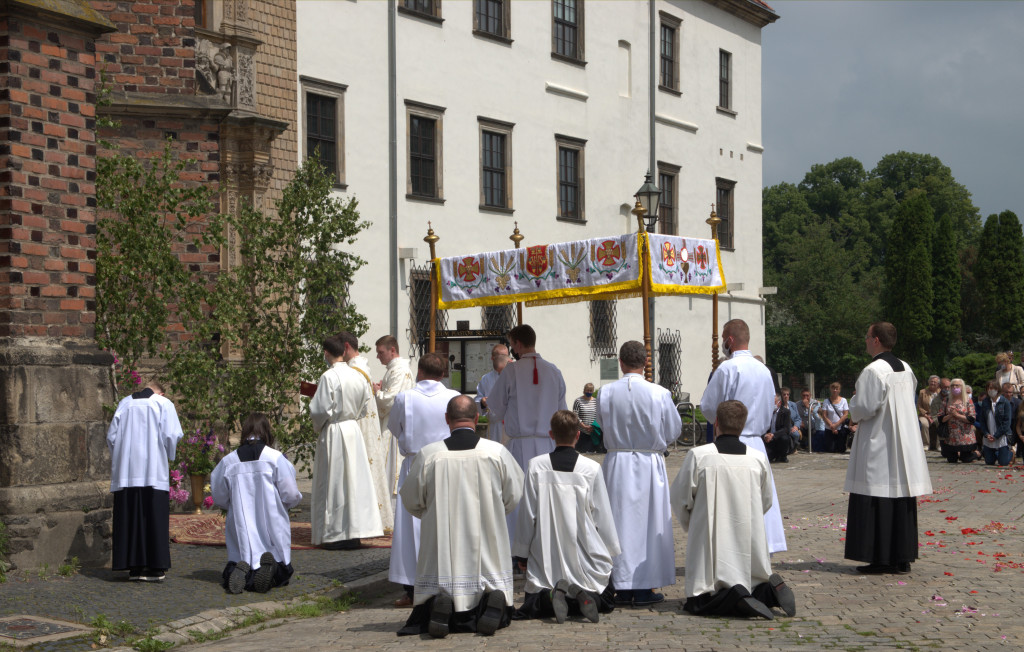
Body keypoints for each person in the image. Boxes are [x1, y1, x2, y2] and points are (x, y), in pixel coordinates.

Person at [397, 395, 524, 638]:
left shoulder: (429, 454)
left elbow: (411, 500)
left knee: (439, 576)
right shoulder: (496, 452)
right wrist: (495, 513)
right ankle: (490, 603)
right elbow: (514, 494)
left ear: (447, 419)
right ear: (477, 418)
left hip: (442, 535)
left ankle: (440, 604)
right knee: (490, 574)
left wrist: (430, 514)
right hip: (488, 533)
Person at [670, 400, 796, 620]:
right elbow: (766, 500)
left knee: (699, 602)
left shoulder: (700, 456)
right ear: (743, 424)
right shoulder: (757, 458)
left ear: (716, 422)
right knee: (753, 581)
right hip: (748, 533)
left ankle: (734, 595)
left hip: (709, 534)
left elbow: (680, 498)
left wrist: (694, 523)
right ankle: (766, 592)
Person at [512, 410, 620, 624]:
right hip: (584, 552)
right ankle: (582, 597)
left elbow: (528, 515)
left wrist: (522, 554)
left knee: (537, 597)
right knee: (605, 598)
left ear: (551, 434)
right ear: (578, 435)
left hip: (546, 551)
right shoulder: (591, 468)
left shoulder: (536, 466)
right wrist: (609, 551)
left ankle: (553, 596)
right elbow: (602, 516)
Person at [597, 340, 681, 607]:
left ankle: (620, 586)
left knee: (618, 523)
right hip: (649, 462)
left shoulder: (606, 391)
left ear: (621, 363)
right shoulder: (659, 393)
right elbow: (674, 430)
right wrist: (655, 443)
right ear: (646, 363)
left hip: (617, 462)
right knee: (649, 524)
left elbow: (602, 423)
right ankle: (644, 586)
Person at [845, 322, 932, 575]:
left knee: (878, 495)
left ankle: (881, 558)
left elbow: (864, 408)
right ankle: (901, 557)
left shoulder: (874, 370)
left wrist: (853, 402)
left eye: (866, 335)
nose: (864, 340)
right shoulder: (906, 367)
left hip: (880, 442)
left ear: (875, 340)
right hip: (903, 441)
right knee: (900, 495)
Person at [700, 318, 787, 554]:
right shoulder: (764, 370)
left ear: (729, 340)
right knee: (759, 498)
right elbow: (771, 406)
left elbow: (708, 407)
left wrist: (720, 425)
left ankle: (736, 550)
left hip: (732, 443)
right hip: (757, 442)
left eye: (722, 340)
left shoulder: (727, 368)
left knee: (735, 502)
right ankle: (762, 549)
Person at [387, 352, 461, 607]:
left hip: (415, 461)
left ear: (419, 371)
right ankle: (448, 580)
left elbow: (395, 428)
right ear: (443, 373)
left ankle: (412, 586)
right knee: (445, 521)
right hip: (445, 462)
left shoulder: (405, 398)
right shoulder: (453, 397)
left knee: (411, 524)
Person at [488, 324, 567, 543]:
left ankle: (517, 547)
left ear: (518, 344)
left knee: (518, 496)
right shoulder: (554, 370)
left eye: (511, 343)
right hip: (548, 445)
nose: (511, 348)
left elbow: (495, 409)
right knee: (545, 495)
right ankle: (545, 543)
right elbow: (562, 412)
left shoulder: (511, 371)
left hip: (519, 447)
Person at [211, 413, 302, 594]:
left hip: (240, 522)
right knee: (279, 563)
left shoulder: (229, 461)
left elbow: (219, 496)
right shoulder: (274, 458)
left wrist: (234, 505)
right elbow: (290, 493)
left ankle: (237, 571)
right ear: (267, 432)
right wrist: (287, 505)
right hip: (271, 520)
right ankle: (270, 570)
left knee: (239, 556)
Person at [309, 335, 383, 550]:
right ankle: (355, 532)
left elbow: (320, 409)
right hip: (352, 429)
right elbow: (365, 403)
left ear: (326, 352)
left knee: (335, 482)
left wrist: (319, 424)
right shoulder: (357, 375)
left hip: (335, 430)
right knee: (354, 482)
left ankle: (335, 534)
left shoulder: (328, 377)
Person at [107, 381, 185, 582]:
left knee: (130, 518)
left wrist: (121, 458)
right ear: (161, 392)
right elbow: (172, 435)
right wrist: (168, 456)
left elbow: (112, 437)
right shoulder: (162, 403)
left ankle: (133, 567)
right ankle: (154, 567)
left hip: (127, 472)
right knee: (153, 517)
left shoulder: (124, 403)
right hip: (153, 470)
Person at [335, 331, 394, 532]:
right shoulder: (360, 367)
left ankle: (364, 522)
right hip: (365, 426)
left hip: (358, 427)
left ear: (346, 347)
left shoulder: (354, 371)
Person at [373, 335, 416, 509]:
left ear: (392, 350)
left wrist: (377, 392)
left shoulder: (399, 370)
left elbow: (390, 401)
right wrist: (381, 388)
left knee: (391, 468)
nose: (378, 357)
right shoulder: (393, 369)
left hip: (394, 427)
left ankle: (391, 511)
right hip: (391, 423)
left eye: (380, 352)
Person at [474, 343, 510, 443]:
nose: (504, 359)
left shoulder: (516, 375)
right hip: (495, 426)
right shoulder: (486, 379)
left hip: (513, 425)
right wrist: (482, 402)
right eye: (501, 357)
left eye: (506, 356)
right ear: (492, 358)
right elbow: (478, 400)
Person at [938, 378, 976, 464]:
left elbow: (972, 419)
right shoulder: (946, 400)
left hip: (965, 435)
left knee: (966, 459)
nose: (955, 387)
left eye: (957, 385)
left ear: (962, 387)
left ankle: (977, 454)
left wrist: (957, 415)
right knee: (951, 460)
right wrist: (950, 415)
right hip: (951, 435)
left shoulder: (968, 400)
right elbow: (940, 418)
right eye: (953, 385)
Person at [977, 381, 1013, 466]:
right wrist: (986, 433)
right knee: (989, 462)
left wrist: (996, 435)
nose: (990, 390)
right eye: (988, 388)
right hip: (989, 434)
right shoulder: (985, 402)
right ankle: (995, 454)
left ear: (997, 389)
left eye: (992, 388)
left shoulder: (1005, 402)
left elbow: (1006, 422)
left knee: (1003, 462)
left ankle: (1010, 453)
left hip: (1001, 435)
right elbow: (982, 420)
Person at [820, 383, 850, 454]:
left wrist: (836, 424)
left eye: (837, 389)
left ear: (839, 390)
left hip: (840, 427)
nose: (835, 390)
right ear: (830, 390)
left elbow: (845, 414)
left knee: (841, 449)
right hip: (829, 427)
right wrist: (832, 426)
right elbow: (824, 415)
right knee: (831, 449)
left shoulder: (844, 400)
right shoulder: (826, 401)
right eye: (833, 389)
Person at [765, 391, 793, 464]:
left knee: (784, 438)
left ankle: (783, 456)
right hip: (768, 438)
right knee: (767, 457)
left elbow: (786, 429)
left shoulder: (785, 412)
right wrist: (766, 435)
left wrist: (773, 435)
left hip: (778, 436)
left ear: (779, 403)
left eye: (774, 402)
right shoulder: (766, 412)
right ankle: (773, 454)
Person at [572, 382, 600, 453]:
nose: (589, 392)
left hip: (594, 432)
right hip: (582, 432)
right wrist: (584, 426)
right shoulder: (578, 401)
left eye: (591, 391)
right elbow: (575, 416)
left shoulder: (596, 401)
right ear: (584, 390)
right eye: (587, 390)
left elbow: (599, 414)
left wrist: (593, 427)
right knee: (582, 453)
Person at [917, 375, 941, 450]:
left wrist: (936, 416)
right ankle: (925, 444)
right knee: (924, 424)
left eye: (935, 382)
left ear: (938, 384)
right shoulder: (922, 392)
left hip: (937, 415)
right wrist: (926, 415)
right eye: (931, 381)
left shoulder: (941, 392)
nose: (933, 383)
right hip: (925, 415)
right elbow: (919, 406)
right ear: (928, 382)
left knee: (940, 424)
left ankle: (939, 445)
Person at [780, 387, 802, 453]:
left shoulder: (793, 405)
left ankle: (794, 448)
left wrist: (796, 426)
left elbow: (798, 418)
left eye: (787, 394)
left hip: (792, 426)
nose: (786, 396)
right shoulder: (779, 405)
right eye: (784, 394)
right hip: (783, 427)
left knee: (796, 434)